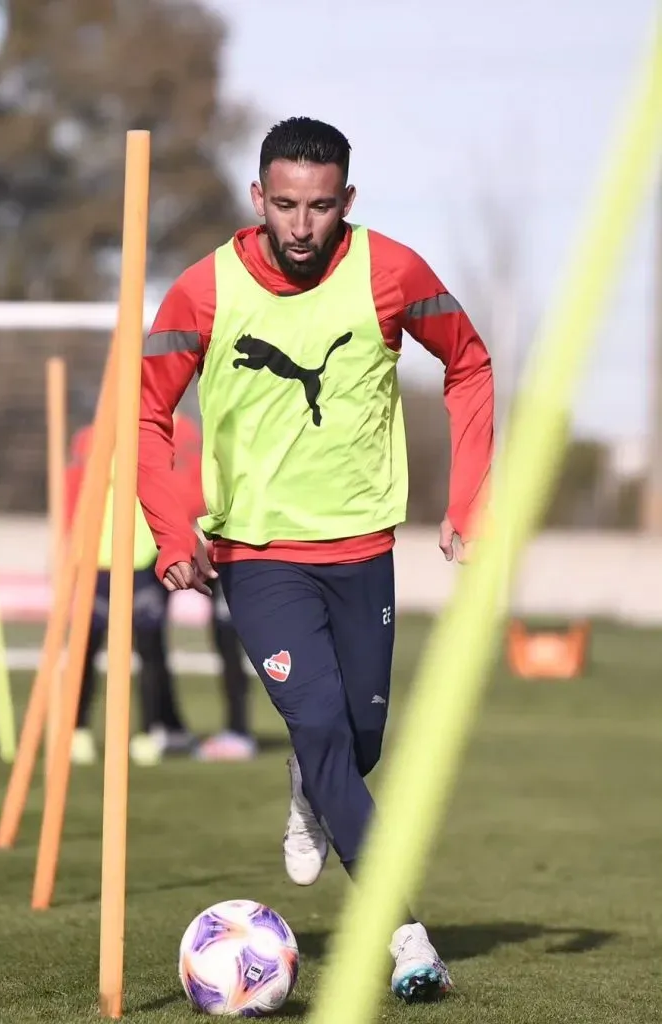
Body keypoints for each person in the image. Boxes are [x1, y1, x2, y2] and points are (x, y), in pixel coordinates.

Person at [136, 117, 494, 1002]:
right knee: (329, 733)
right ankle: (406, 938)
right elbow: (143, 415)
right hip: (256, 558)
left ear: (347, 202)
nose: (301, 225)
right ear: (258, 199)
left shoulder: (392, 273)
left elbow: (470, 364)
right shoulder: (202, 292)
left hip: (364, 549)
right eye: (285, 205)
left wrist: (469, 498)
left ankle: (310, 782)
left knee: (355, 741)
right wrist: (173, 533)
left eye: (321, 206)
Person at [65, 411, 255, 766]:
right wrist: (69, 548)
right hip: (98, 559)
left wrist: (181, 537)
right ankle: (79, 731)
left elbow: (190, 489)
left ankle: (156, 729)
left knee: (151, 646)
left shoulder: (177, 432)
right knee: (87, 647)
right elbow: (74, 492)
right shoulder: (93, 436)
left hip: (147, 555)